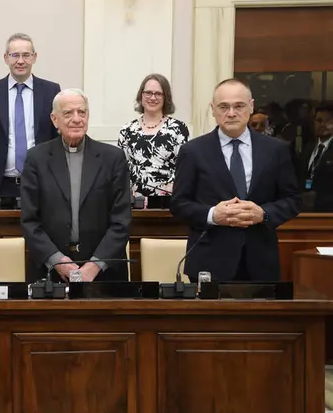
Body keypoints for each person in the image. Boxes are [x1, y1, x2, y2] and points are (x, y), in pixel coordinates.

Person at [170, 78, 300, 282]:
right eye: (223, 106)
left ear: (251, 106)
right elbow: (179, 203)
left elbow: (292, 199)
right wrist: (213, 214)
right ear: (213, 109)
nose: (231, 113)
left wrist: (264, 214)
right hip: (209, 262)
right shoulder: (193, 151)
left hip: (261, 262)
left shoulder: (276, 150)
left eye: (238, 106)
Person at [20, 89, 131, 283]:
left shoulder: (113, 158)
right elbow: (29, 220)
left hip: (104, 273)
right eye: (68, 113)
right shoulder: (36, 158)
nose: (77, 119)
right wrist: (57, 261)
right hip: (50, 271)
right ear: (55, 120)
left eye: (82, 112)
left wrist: (95, 265)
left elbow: (121, 221)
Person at [0, 33, 61, 198]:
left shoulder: (51, 91)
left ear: (34, 57)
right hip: (1, 183)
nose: (20, 61)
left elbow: (57, 138)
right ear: (6, 58)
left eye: (26, 55)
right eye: (15, 55)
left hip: (42, 182)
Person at [118, 74, 189, 199]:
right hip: (134, 201)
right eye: (148, 93)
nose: (152, 97)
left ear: (166, 97)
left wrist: (171, 187)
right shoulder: (127, 130)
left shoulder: (178, 128)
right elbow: (121, 168)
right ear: (141, 95)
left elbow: (185, 165)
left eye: (158, 94)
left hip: (167, 200)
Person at [298, 101, 333, 212]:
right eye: (319, 121)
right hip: (305, 210)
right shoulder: (308, 147)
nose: (323, 125)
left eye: (328, 121)